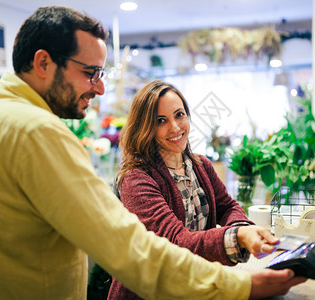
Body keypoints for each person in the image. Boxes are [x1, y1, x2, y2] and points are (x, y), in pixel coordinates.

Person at [0, 6, 305, 300]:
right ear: (43, 63)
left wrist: (241, 230)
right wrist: (238, 286)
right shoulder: (35, 131)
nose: (100, 87)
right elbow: (127, 245)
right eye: (90, 73)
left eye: (102, 73)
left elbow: (225, 207)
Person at [108, 80, 300, 299]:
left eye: (179, 115)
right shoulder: (136, 180)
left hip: (195, 286)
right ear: (145, 128)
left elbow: (228, 206)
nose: (175, 127)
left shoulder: (200, 165)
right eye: (161, 121)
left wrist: (244, 228)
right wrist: (238, 236)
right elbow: (177, 242)